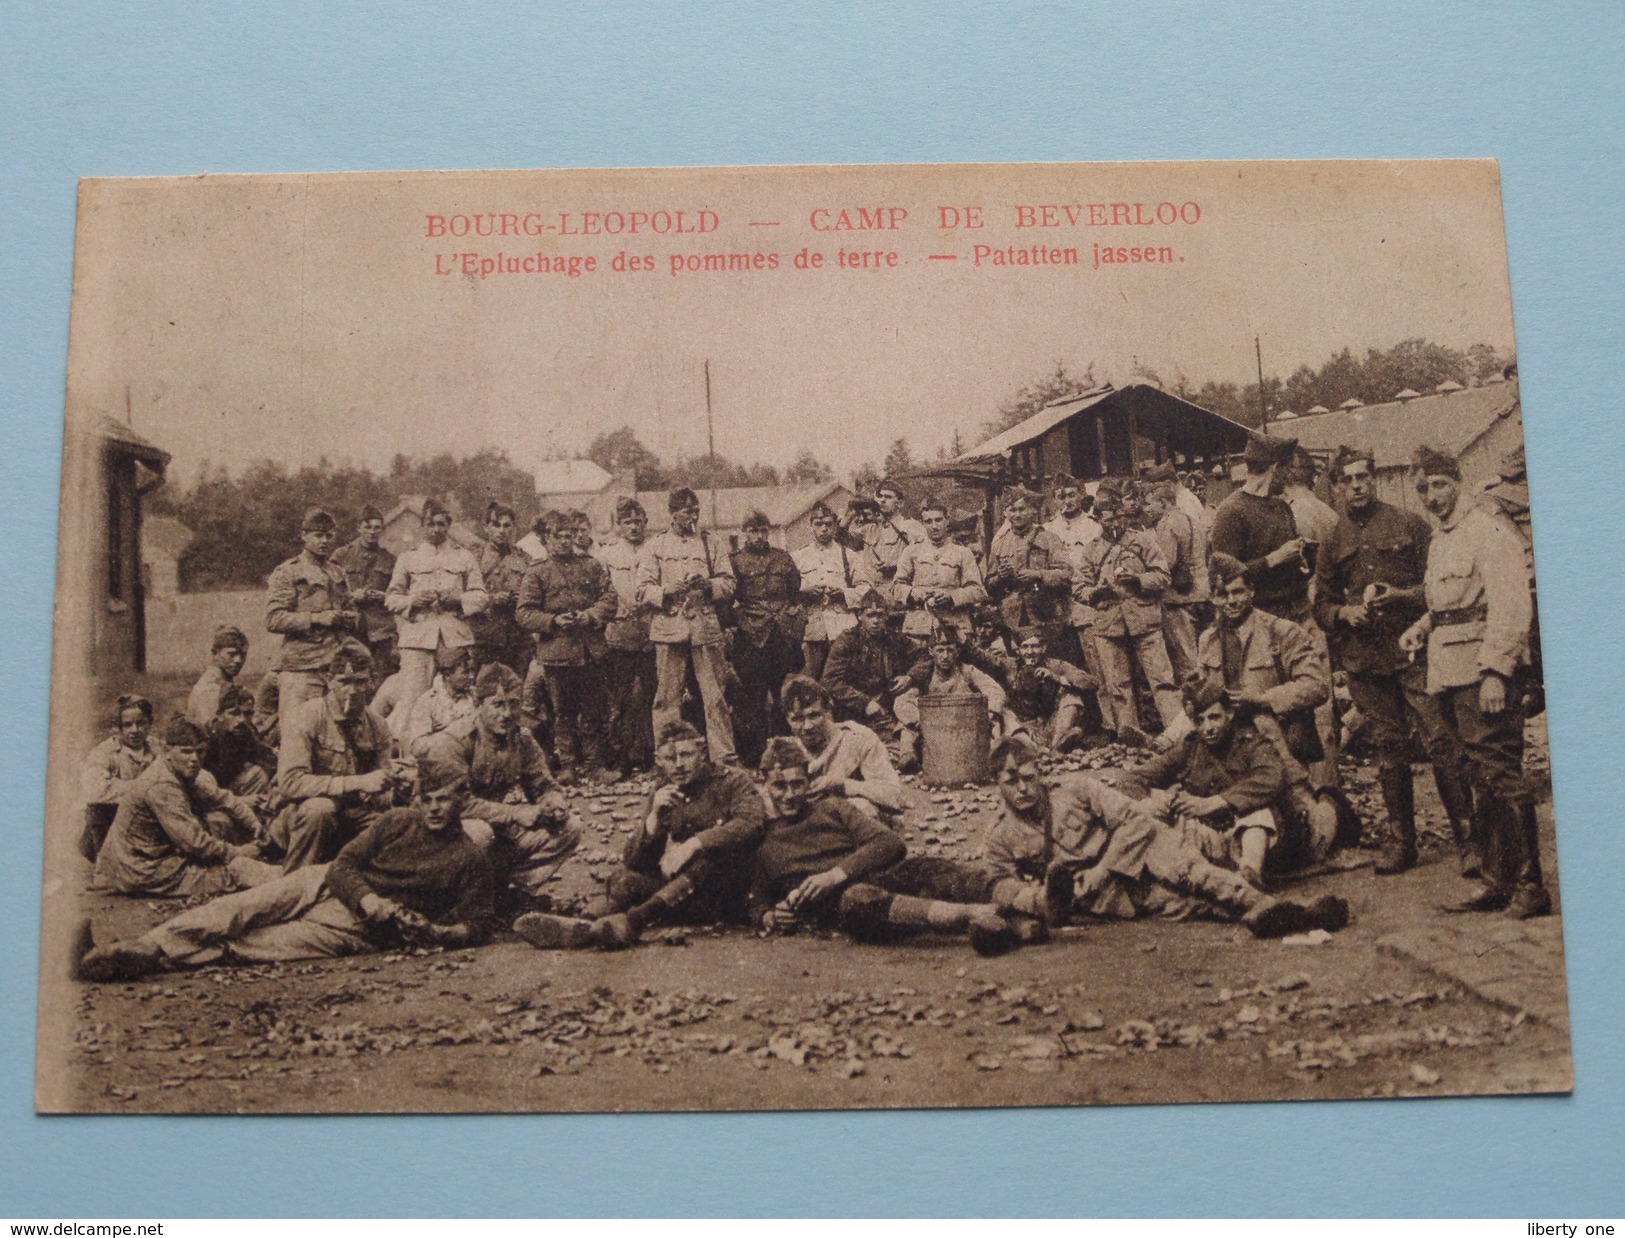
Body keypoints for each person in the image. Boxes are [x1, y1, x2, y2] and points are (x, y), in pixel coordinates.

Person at [75, 760, 498, 982]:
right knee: (236, 909)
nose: (434, 809)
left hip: (355, 929)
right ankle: (147, 946)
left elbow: (476, 924)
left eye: (444, 800)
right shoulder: (397, 821)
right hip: (323, 882)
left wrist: (440, 934)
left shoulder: (469, 858)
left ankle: (147, 961)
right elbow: (345, 865)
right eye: (428, 799)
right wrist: (368, 898)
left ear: (463, 800)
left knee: (249, 946)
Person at [985, 733, 1348, 936]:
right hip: (1114, 896)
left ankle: (1283, 910)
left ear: (1041, 772)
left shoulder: (1077, 789)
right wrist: (1043, 900)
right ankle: (1272, 920)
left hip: (1142, 849)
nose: (1022, 788)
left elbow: (1135, 821)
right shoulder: (1001, 836)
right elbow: (1001, 886)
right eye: (1011, 781)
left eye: (1029, 777)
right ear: (996, 785)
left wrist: (1103, 869)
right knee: (1194, 908)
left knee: (1202, 877)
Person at [1399, 445, 1547, 918]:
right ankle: (1497, 880)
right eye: (1423, 487)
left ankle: (1530, 884)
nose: (1431, 495)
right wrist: (1423, 625)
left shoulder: (1487, 530)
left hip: (1482, 673)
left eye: (1440, 484)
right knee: (1474, 773)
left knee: (1500, 771)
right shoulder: (1442, 539)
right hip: (1449, 672)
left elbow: (1511, 605)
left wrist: (1496, 672)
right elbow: (1451, 603)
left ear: (1458, 481)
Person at [748, 738, 1064, 956]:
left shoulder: (832, 808)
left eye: (796, 784)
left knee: (931, 867)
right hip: (848, 909)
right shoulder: (765, 846)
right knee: (857, 900)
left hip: (876, 879)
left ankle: (1036, 903)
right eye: (779, 785)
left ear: (808, 782)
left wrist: (835, 874)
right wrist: (770, 917)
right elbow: (756, 901)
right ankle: (983, 917)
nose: (789, 794)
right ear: (764, 783)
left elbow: (890, 843)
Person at [1315, 444, 1473, 874]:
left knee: (1441, 740)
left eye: (1363, 476)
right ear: (1337, 488)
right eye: (1347, 480)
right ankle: (1402, 843)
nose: (1356, 485)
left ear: (1375, 478)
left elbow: (1438, 587)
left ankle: (1469, 840)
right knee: (1388, 749)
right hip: (1365, 661)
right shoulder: (1332, 540)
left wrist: (1399, 597)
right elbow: (1322, 606)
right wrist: (1345, 613)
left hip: (1412, 651)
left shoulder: (1410, 525)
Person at [513, 721, 766, 950]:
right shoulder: (663, 790)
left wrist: (694, 844)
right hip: (675, 896)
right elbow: (635, 861)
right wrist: (654, 818)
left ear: (702, 752)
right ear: (658, 760)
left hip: (724, 893)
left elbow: (751, 822)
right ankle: (581, 925)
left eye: (687, 754)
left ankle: (633, 923)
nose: (678, 764)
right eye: (669, 757)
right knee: (623, 879)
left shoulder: (732, 780)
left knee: (708, 859)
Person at [1174, 552, 1340, 860]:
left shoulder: (1281, 632)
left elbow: (1316, 686)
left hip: (1277, 742)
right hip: (1227, 745)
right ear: (1213, 597)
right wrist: (1194, 693)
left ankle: (1326, 808)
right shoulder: (1209, 639)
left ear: (1252, 591)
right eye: (1223, 594)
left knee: (1306, 831)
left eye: (1238, 592)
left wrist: (1263, 700)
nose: (1231, 601)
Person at [412, 664, 581, 909]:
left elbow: (542, 784)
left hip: (493, 827)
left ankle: (501, 892)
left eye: (513, 704)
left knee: (569, 827)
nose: (507, 714)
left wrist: (553, 802)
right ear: (479, 705)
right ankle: (455, 898)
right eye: (497, 705)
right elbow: (456, 804)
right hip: (443, 835)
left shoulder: (521, 739)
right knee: (480, 832)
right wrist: (516, 813)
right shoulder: (453, 742)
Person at [1120, 681, 1321, 886]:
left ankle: (1249, 873)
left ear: (1230, 714)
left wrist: (1217, 802)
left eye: (1214, 717)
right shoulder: (1189, 749)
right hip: (1210, 836)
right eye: (1200, 721)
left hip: (1258, 842)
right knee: (1157, 799)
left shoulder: (1251, 742)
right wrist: (1147, 803)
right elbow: (1133, 778)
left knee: (1259, 813)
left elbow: (1270, 776)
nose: (1208, 728)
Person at [92, 717, 280, 897]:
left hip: (152, 857)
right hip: (141, 868)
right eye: (186, 751)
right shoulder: (161, 785)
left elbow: (225, 799)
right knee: (234, 874)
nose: (194, 759)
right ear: (167, 751)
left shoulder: (178, 772)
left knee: (230, 848)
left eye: (200, 751)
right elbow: (195, 843)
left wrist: (255, 825)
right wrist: (239, 852)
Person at [270, 641, 414, 871]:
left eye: (360, 682)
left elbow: (379, 793)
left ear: (372, 682)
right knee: (320, 809)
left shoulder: (377, 725)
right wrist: (357, 782)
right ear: (329, 681)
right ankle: (295, 882)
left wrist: (397, 787)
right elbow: (289, 783)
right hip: (301, 814)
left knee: (400, 823)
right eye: (344, 682)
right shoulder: (308, 715)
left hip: (354, 813)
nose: (353, 691)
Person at [635, 487, 739, 766]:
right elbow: (641, 591)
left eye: (695, 510)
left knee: (715, 697)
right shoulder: (655, 546)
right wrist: (667, 590)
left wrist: (707, 585)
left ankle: (724, 758)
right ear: (672, 513)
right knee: (667, 700)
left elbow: (729, 583)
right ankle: (667, 758)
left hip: (705, 628)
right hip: (669, 630)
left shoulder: (711, 543)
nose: (693, 515)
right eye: (686, 510)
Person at [517, 509, 618, 782]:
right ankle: (568, 767)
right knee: (562, 713)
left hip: (590, 651)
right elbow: (524, 613)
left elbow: (610, 599)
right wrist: (552, 621)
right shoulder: (537, 573)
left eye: (568, 536)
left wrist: (588, 616)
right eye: (557, 536)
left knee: (595, 711)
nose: (564, 541)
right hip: (557, 654)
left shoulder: (592, 565)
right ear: (546, 540)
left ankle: (595, 766)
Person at [1072, 495, 1182, 739]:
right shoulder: (1091, 550)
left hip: (1145, 621)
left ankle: (1177, 732)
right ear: (1098, 519)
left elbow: (1164, 576)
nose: (1115, 524)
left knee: (1162, 679)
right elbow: (1078, 587)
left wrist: (1139, 580)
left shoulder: (1143, 542)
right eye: (1108, 519)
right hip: (1108, 623)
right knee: (1118, 685)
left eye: (1118, 517)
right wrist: (1096, 592)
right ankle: (1129, 735)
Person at [384, 497, 489, 720]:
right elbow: (391, 598)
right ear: (422, 525)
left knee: (459, 698)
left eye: (441, 524)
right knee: (414, 700)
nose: (436, 529)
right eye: (430, 524)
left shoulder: (464, 556)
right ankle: (412, 751)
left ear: (449, 526)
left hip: (455, 639)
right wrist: (413, 600)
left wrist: (459, 599)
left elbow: (481, 597)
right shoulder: (407, 557)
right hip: (418, 640)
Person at [265, 507, 360, 730]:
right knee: (297, 732)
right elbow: (274, 619)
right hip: (302, 667)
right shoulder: (288, 572)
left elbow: (351, 609)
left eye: (329, 536)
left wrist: (347, 617)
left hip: (334, 667)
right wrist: (317, 619)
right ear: (304, 536)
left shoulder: (337, 571)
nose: (324, 541)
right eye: (318, 535)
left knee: (337, 733)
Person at [728, 510, 804, 766]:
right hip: (751, 638)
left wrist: (789, 620)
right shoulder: (735, 561)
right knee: (754, 699)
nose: (759, 536)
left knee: (784, 695)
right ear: (745, 533)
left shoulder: (782, 558)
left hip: (781, 636)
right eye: (753, 531)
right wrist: (744, 624)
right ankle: (754, 757)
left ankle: (785, 755)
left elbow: (794, 590)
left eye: (763, 531)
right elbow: (730, 601)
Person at [820, 589, 926, 772]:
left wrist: (910, 676)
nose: (876, 621)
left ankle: (901, 751)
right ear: (860, 616)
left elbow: (924, 658)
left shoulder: (894, 638)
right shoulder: (847, 641)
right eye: (870, 615)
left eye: (881, 615)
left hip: (885, 708)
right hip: (853, 710)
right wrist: (864, 703)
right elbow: (830, 681)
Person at [1209, 434, 1311, 623]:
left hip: (1295, 614)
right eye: (1287, 469)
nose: (1288, 477)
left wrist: (1303, 554)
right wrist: (1273, 559)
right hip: (1257, 620)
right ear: (1275, 468)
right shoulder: (1230, 512)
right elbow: (1223, 578)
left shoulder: (1282, 507)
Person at [779, 674, 905, 819]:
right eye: (797, 719)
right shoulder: (786, 749)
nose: (807, 726)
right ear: (787, 720)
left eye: (814, 715)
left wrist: (843, 785)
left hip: (856, 829)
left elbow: (896, 796)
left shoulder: (858, 738)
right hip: (810, 830)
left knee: (861, 807)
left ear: (827, 711)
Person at [597, 498, 657, 773]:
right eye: (627, 522)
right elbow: (600, 593)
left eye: (637, 521)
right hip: (619, 633)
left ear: (645, 521)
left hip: (651, 633)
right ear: (618, 526)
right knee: (619, 700)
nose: (633, 527)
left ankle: (649, 756)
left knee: (650, 697)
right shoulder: (607, 555)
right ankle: (620, 759)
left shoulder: (655, 549)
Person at [893, 626, 1007, 767]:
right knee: (905, 725)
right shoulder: (925, 676)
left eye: (950, 650)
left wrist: (988, 713)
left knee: (1001, 717)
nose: (945, 656)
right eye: (940, 650)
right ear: (931, 651)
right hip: (934, 730)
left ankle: (996, 754)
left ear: (958, 652)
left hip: (966, 726)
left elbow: (995, 690)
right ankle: (908, 754)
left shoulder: (967, 671)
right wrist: (920, 721)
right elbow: (902, 701)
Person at [792, 500, 874, 681]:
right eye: (818, 524)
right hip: (811, 631)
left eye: (828, 524)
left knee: (844, 680)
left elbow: (866, 589)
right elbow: (788, 591)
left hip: (842, 630)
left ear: (835, 525)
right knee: (810, 683)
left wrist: (844, 593)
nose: (824, 529)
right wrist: (805, 591)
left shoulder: (849, 555)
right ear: (810, 526)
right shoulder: (797, 557)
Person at [985, 485, 1073, 648]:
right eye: (1012, 510)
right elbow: (989, 586)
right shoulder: (999, 544)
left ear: (1032, 511)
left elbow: (1066, 575)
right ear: (1006, 513)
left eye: (1022, 509)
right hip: (1011, 616)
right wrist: (1000, 577)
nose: (1017, 515)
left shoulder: (1049, 539)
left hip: (1045, 613)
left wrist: (1038, 574)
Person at [892, 495, 988, 640]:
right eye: (928, 521)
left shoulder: (963, 553)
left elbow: (977, 591)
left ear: (947, 521)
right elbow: (896, 587)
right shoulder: (911, 551)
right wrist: (913, 593)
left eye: (938, 520)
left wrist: (952, 596)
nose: (934, 526)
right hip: (919, 627)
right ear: (922, 523)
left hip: (954, 626)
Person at [1141, 481, 1207, 684]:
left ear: (1163, 503)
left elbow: (1165, 563)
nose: (1146, 509)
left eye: (1149, 504)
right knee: (1204, 652)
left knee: (1186, 659)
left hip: (1178, 599)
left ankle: (1196, 704)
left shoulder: (1167, 524)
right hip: (1203, 593)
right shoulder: (1193, 520)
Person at [80, 694, 160, 848]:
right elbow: (95, 789)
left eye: (141, 723)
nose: (135, 730)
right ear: (117, 727)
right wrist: (145, 788)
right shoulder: (104, 753)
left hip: (145, 820)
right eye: (127, 725)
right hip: (112, 822)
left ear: (150, 722)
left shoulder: (156, 747)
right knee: (97, 810)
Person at [1001, 627, 1096, 752]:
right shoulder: (1010, 666)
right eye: (1025, 647)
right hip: (1023, 727)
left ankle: (1056, 747)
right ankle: (1030, 747)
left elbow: (1092, 682)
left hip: (1051, 726)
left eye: (1034, 646)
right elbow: (983, 658)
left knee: (1071, 696)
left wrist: (1056, 677)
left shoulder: (1056, 665)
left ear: (1043, 648)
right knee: (1003, 707)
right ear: (1018, 650)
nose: (1030, 652)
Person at [332, 505, 399, 676]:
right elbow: (329, 590)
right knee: (351, 679)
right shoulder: (341, 556)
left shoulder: (390, 559)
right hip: (350, 629)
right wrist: (351, 596)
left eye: (377, 527)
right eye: (367, 527)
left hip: (381, 631)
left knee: (381, 678)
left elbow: (400, 593)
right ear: (359, 528)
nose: (372, 532)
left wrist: (384, 596)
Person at [470, 501, 535, 674]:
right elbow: (464, 596)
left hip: (518, 638)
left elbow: (534, 593)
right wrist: (492, 598)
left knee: (518, 689)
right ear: (486, 527)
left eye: (507, 526)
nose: (501, 530)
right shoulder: (474, 558)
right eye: (496, 525)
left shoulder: (524, 558)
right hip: (485, 638)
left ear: (513, 528)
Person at [201, 684, 278, 803]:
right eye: (234, 713)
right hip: (210, 796)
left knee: (261, 772)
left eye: (246, 714)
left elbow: (263, 753)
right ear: (219, 715)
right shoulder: (205, 739)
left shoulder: (242, 732)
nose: (241, 720)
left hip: (230, 790)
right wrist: (240, 801)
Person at [396, 644, 478, 745]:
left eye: (472, 672)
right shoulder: (428, 702)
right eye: (465, 672)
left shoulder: (475, 696)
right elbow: (419, 746)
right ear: (448, 675)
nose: (471, 677)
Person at [852, 480, 925, 585]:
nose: (882, 500)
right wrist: (850, 514)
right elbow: (842, 541)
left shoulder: (910, 526)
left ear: (900, 503)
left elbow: (923, 558)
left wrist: (896, 566)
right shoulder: (870, 529)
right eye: (880, 496)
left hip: (896, 588)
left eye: (888, 497)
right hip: (872, 591)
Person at [185, 626, 250, 727]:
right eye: (232, 654)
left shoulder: (222, 682)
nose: (238, 660)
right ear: (215, 653)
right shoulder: (211, 687)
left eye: (243, 654)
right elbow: (212, 731)